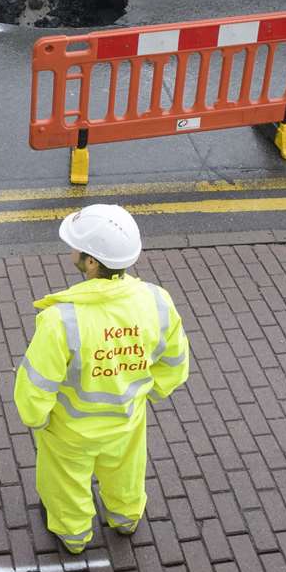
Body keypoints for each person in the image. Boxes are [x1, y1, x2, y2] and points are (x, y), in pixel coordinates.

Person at [13, 204, 190, 554]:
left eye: (76, 248)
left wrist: (37, 419)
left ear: (92, 263)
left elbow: (37, 385)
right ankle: (126, 519)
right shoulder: (156, 301)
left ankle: (74, 536)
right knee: (125, 474)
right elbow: (175, 364)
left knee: (65, 485)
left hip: (70, 430)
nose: (72, 251)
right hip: (127, 420)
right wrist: (144, 394)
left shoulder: (60, 320)